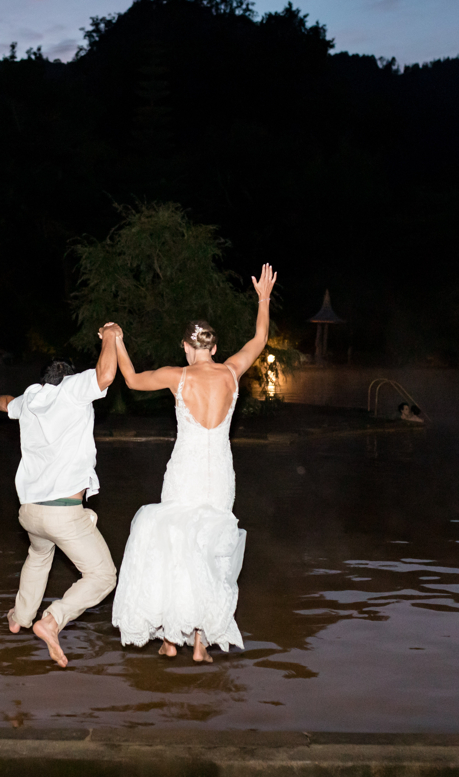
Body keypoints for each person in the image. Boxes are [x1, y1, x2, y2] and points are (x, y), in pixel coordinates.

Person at [110, 263, 277, 663]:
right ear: (215, 348)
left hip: (184, 471)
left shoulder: (176, 375)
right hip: (219, 471)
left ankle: (171, 638)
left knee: (176, 545)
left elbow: (131, 380)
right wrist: (264, 297)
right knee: (210, 548)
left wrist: (116, 340)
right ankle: (199, 643)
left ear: (187, 347)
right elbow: (259, 338)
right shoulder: (231, 372)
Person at [0, 323, 121, 668]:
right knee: (103, 576)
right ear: (68, 378)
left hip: (30, 513)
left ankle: (18, 617)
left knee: (39, 557)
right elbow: (106, 373)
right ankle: (52, 620)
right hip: (63, 513)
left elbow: (6, 402)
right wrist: (111, 337)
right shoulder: (73, 391)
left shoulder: (33, 397)